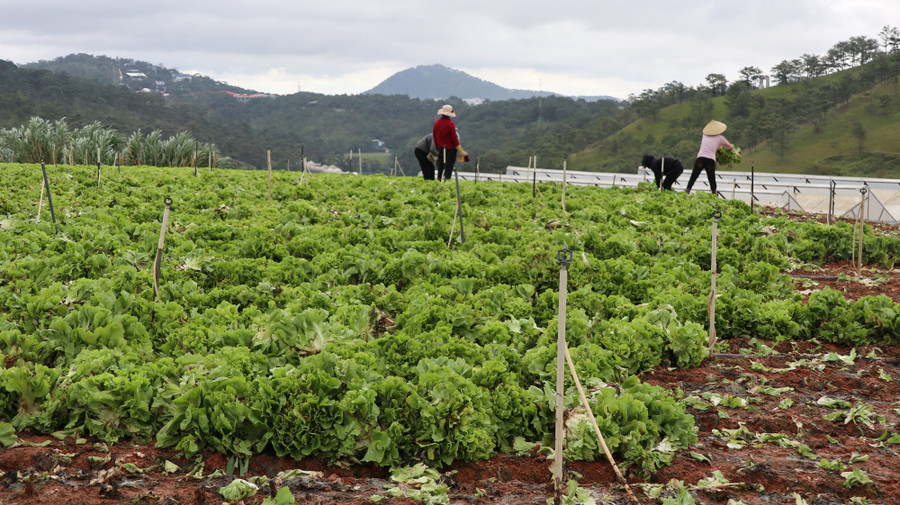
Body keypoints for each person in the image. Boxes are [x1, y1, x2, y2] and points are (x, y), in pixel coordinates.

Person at [685, 120, 733, 195]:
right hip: (710, 160)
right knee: (711, 178)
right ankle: (714, 194)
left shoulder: (704, 135)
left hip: (700, 158)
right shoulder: (720, 138)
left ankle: (687, 191)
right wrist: (721, 148)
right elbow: (730, 147)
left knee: (694, 176)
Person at [432, 104, 467, 181]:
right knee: (449, 165)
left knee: (440, 165)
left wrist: (437, 147)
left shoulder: (436, 123)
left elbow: (435, 136)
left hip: (439, 148)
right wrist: (460, 150)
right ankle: (447, 180)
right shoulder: (451, 124)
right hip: (450, 149)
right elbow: (454, 139)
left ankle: (439, 179)